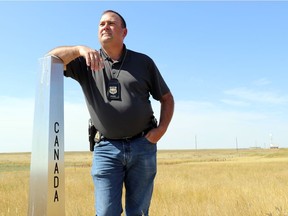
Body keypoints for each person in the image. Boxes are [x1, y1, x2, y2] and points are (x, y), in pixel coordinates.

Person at [47, 10, 174, 216]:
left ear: (124, 32)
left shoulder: (143, 63)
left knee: (139, 212)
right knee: (106, 212)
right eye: (101, 24)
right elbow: (50, 59)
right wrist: (79, 49)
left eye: (111, 23)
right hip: (106, 148)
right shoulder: (86, 62)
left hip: (143, 145)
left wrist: (162, 129)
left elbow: (167, 98)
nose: (105, 27)